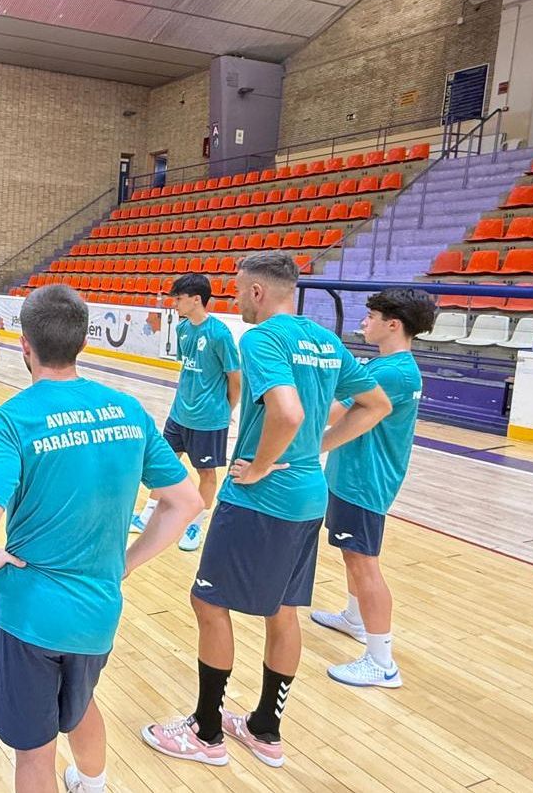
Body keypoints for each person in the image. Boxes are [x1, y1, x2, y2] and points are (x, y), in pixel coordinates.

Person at [142, 253, 392, 770]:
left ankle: (206, 732)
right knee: (283, 612)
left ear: (258, 291)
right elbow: (375, 405)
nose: (234, 299)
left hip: (261, 500)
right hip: (307, 497)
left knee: (208, 604)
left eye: (238, 290)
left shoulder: (259, 340)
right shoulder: (326, 339)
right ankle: (264, 729)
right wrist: (316, 448)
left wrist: (259, 466)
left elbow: (287, 411)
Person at [0, 284, 203, 793]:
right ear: (82, 342)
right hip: (98, 610)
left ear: (24, 344)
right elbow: (186, 501)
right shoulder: (127, 409)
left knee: (34, 752)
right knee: (80, 704)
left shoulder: (12, 419)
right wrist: (127, 563)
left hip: (30, 616)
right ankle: (92, 783)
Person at [311, 288, 436, 689]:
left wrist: (298, 434)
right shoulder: (394, 367)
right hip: (355, 477)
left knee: (364, 563)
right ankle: (354, 618)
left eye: (371, 316)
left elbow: (338, 411)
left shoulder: (392, 373)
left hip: (365, 482)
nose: (364, 322)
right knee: (352, 557)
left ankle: (381, 661)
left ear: (392, 324)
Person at [132, 273, 240, 551]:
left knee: (206, 472)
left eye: (179, 298)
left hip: (208, 419)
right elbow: (189, 370)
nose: (174, 304)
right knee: (164, 463)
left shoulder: (219, 333)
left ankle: (196, 523)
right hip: (179, 413)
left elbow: (235, 378)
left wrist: (226, 409)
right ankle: (148, 513)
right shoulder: (182, 330)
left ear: (196, 299)